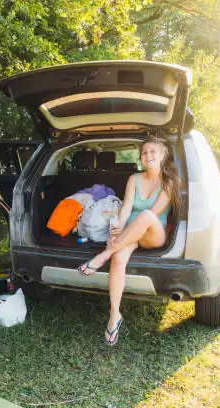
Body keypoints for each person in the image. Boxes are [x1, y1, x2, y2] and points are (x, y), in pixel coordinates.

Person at [77, 136, 181, 345]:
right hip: (130, 234)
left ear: (163, 155)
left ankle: (103, 255)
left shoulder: (170, 182)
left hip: (153, 234)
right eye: (144, 152)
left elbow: (153, 213)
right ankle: (114, 315)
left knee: (146, 215)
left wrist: (114, 243)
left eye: (153, 151)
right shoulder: (134, 178)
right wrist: (118, 227)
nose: (148, 155)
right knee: (118, 259)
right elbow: (125, 208)